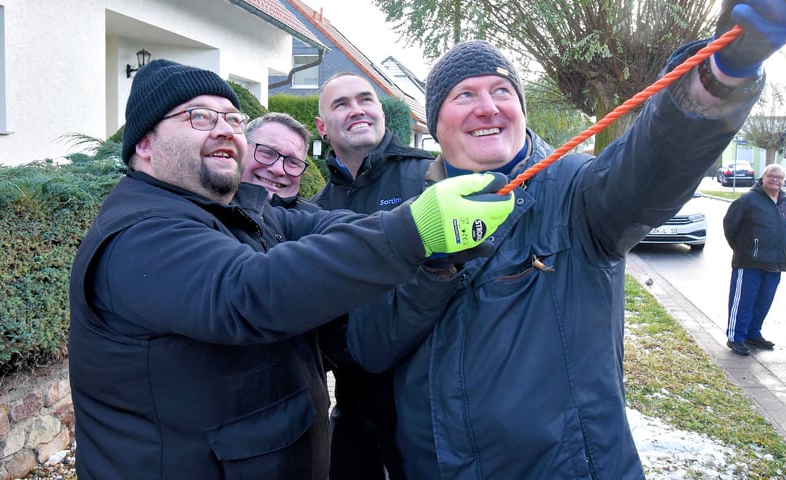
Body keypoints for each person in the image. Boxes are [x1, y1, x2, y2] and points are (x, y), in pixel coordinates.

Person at [346, 0, 786, 478]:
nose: (487, 106)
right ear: (435, 122)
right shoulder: (410, 216)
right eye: (464, 94)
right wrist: (435, 265)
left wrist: (722, 73)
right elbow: (370, 346)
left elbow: (653, 164)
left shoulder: (576, 193)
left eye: (502, 90)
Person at [67, 59, 514, 479]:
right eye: (199, 117)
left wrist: (429, 231)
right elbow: (251, 292)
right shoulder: (140, 233)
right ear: (145, 143)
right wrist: (414, 232)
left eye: (233, 120)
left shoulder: (241, 210)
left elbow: (332, 225)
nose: (224, 130)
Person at [311, 72, 435, 480]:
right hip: (354, 409)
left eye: (366, 99)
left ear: (381, 111)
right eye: (340, 104)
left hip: (427, 411)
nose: (357, 110)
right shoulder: (313, 210)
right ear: (322, 126)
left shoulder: (429, 179)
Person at [723, 163, 786, 355]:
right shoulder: (748, 200)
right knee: (744, 301)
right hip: (749, 262)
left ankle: (753, 334)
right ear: (763, 177)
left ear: (784, 181)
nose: (775, 180)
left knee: (763, 301)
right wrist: (744, 250)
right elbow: (730, 227)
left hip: (775, 262)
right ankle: (736, 337)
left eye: (779, 177)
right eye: (771, 176)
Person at [242, 112, 320, 211]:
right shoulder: (216, 209)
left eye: (292, 162)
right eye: (267, 153)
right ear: (241, 150)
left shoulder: (313, 220)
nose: (278, 170)